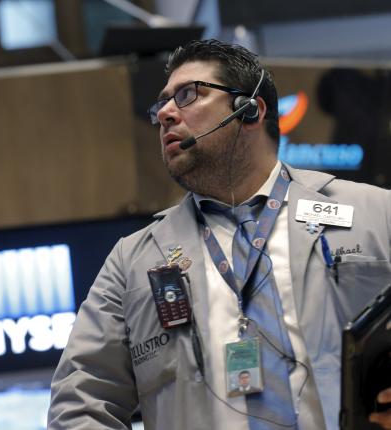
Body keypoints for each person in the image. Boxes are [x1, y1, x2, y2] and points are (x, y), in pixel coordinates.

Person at [47, 39, 391, 430]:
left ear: (249, 109)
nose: (165, 114)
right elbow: (78, 405)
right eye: (160, 104)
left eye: (187, 94)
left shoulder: (376, 213)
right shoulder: (132, 262)